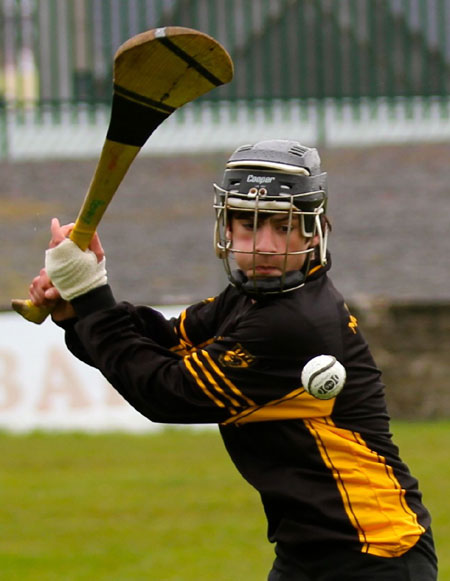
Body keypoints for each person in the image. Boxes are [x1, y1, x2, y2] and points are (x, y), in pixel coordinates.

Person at [29, 140, 438, 580]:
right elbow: (163, 342)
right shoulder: (248, 299)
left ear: (313, 231)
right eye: (248, 224)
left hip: (374, 554)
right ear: (226, 227)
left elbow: (164, 391)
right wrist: (81, 307)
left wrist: (91, 295)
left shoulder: (296, 322)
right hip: (309, 554)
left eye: (282, 226)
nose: (263, 246)